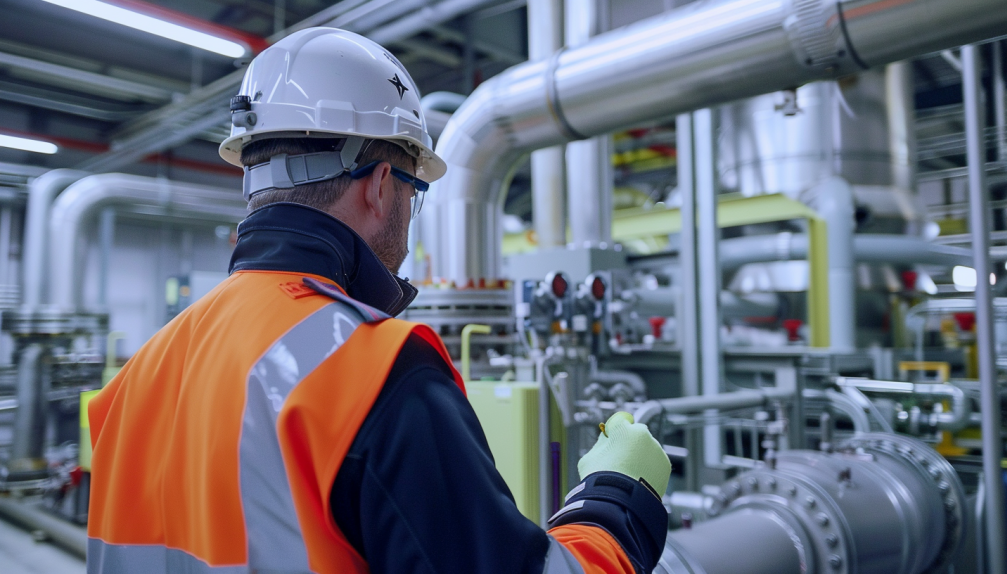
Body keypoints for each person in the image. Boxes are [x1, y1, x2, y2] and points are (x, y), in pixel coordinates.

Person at [86, 28, 670, 574]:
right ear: (381, 184)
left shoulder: (138, 375)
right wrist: (617, 502)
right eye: (415, 194)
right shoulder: (375, 371)